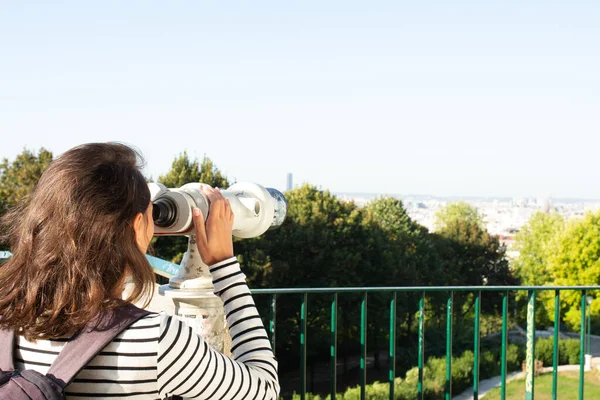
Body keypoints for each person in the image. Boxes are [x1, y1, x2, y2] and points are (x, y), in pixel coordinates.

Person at [0, 142, 279, 399]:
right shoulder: (158, 341)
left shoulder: (5, 321)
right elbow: (264, 389)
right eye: (151, 212)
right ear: (136, 227)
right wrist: (223, 264)